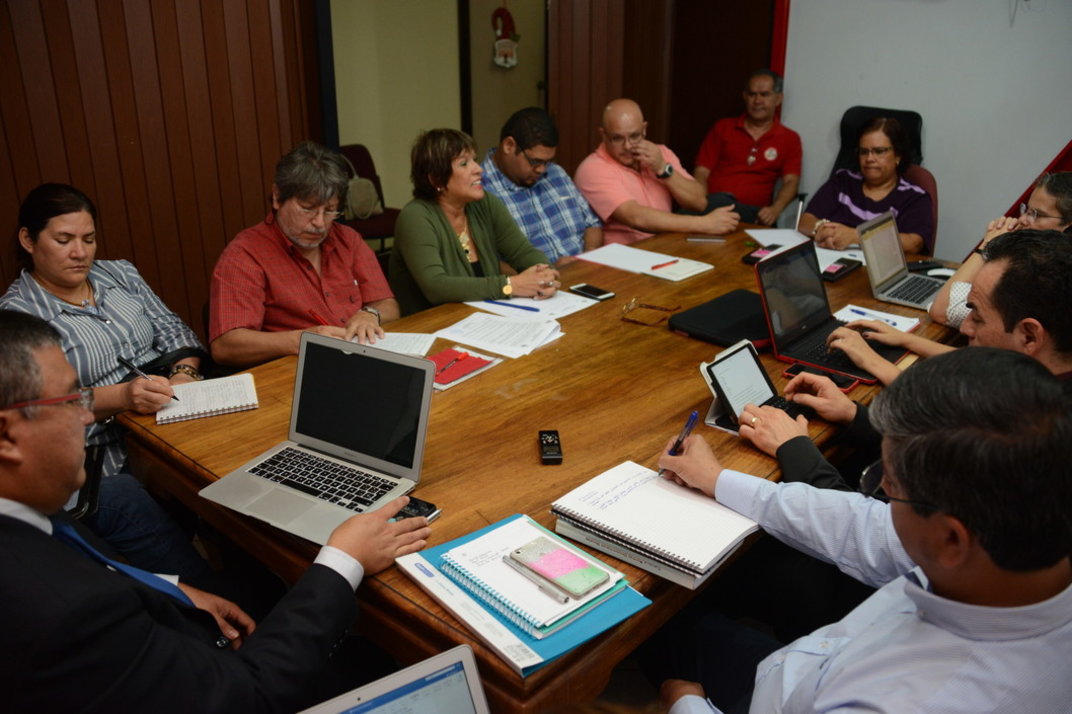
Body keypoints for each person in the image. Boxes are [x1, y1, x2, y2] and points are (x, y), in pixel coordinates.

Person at [0, 310, 432, 712]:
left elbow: (97, 570)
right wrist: (343, 560)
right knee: (383, 666)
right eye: (71, 401)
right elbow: (247, 695)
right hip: (231, 680)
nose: (85, 418)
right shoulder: (66, 615)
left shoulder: (26, 513)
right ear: (6, 434)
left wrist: (168, 588)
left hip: (179, 635)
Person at [646, 347, 1072, 713]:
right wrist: (718, 479)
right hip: (808, 666)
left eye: (888, 486)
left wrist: (685, 700)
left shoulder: (902, 701)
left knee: (659, 631)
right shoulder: (1003, 550)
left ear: (950, 540)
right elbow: (862, 524)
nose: (878, 496)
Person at [0, 184, 211, 578]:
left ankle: (252, 570)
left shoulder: (119, 274)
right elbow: (39, 411)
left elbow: (174, 331)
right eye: (63, 240)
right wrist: (123, 396)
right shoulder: (18, 318)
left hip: (172, 418)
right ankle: (207, 599)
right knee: (134, 501)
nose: (80, 253)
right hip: (99, 456)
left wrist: (184, 373)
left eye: (89, 239)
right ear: (28, 240)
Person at [210, 141, 400, 368]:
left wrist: (369, 314)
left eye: (330, 211)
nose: (319, 223)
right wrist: (301, 340)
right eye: (308, 209)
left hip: (360, 361)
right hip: (295, 372)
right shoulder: (245, 255)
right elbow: (225, 346)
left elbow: (388, 305)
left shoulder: (347, 239)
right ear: (277, 197)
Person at [817, 228, 1072, 387]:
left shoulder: (1029, 428)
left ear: (1029, 336)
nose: (965, 325)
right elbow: (980, 364)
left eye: (978, 317)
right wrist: (906, 340)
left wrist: (873, 362)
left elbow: (943, 415)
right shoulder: (1042, 371)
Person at [389, 128, 560, 315]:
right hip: (432, 324)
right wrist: (510, 285)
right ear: (436, 178)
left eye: (474, 160)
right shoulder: (415, 217)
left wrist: (545, 276)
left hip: (482, 317)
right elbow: (436, 286)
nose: (479, 169)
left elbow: (522, 252)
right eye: (464, 163)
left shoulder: (485, 203)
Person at [574, 99, 740, 245]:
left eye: (634, 136)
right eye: (617, 138)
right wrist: (705, 224)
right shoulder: (592, 168)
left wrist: (663, 168)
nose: (627, 146)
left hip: (666, 247)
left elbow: (699, 202)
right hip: (625, 259)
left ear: (644, 129)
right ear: (603, 135)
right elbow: (635, 217)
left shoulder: (661, 153)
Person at [929, 171, 1072, 327]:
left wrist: (987, 246)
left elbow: (943, 310)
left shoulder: (1045, 276)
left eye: (1037, 215)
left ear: (1068, 227)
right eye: (1027, 210)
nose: (1022, 220)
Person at [481, 107, 603, 265]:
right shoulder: (479, 189)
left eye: (547, 161)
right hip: (533, 285)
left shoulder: (555, 173)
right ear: (509, 146)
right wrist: (548, 275)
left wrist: (588, 258)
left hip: (586, 272)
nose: (542, 169)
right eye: (535, 161)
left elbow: (591, 223)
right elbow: (488, 262)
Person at [798, 117, 934, 254]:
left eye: (879, 151)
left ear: (898, 155)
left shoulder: (914, 197)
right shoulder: (843, 181)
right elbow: (804, 222)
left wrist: (856, 236)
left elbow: (914, 243)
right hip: (832, 264)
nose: (869, 159)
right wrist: (821, 229)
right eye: (864, 152)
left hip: (880, 272)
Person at [692, 69, 802, 226]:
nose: (757, 101)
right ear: (744, 97)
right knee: (719, 200)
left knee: (724, 201)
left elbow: (791, 181)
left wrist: (775, 210)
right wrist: (701, 202)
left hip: (753, 215)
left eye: (764, 95)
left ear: (778, 99)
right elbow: (701, 171)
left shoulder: (790, 138)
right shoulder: (723, 128)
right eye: (752, 94)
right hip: (713, 209)